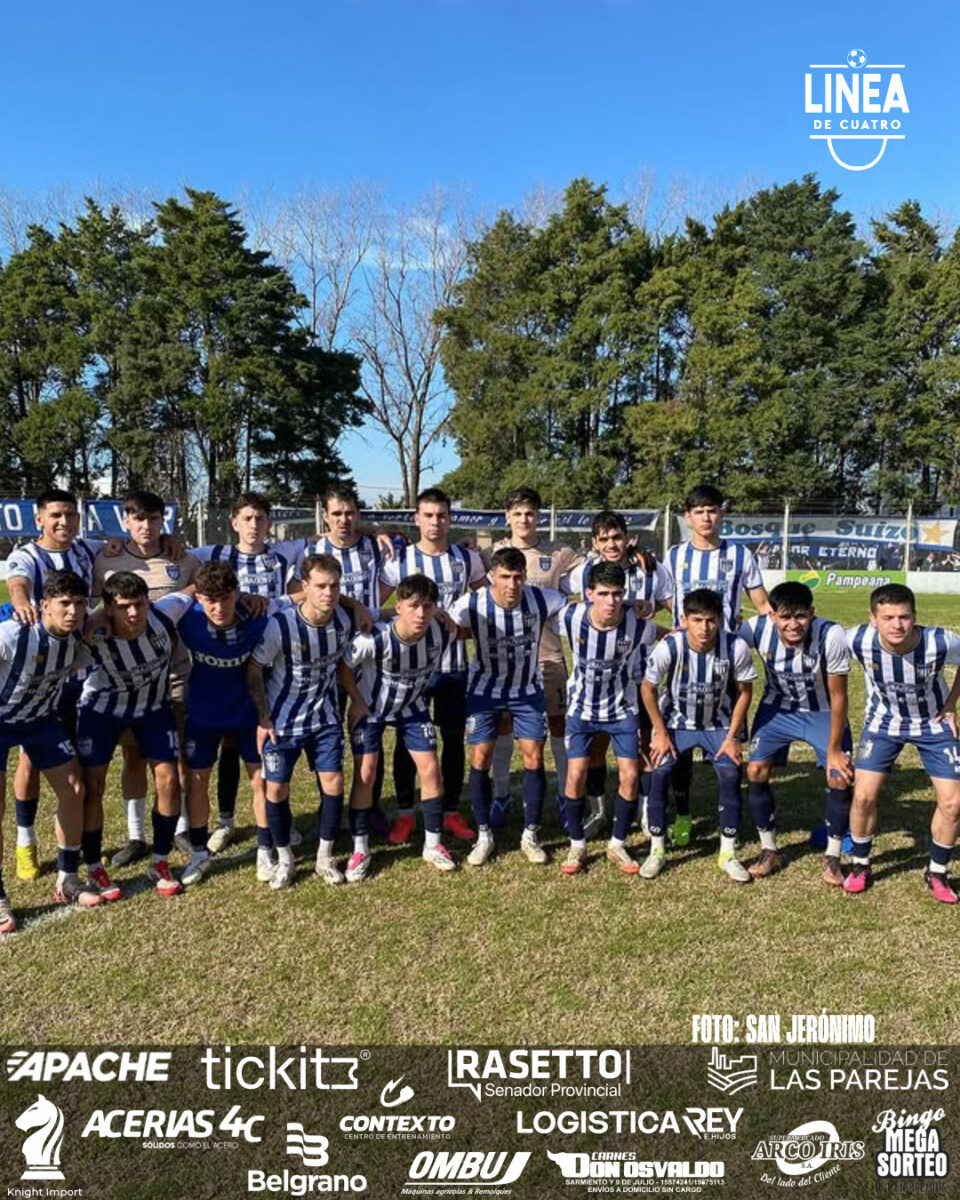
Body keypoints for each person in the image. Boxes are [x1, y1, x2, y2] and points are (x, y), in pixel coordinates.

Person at [191, 492, 306, 853]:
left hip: (272, 661)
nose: (254, 525)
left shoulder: (283, 554)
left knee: (271, 743)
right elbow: (177, 557)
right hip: (231, 658)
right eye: (247, 518)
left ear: (269, 522)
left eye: (260, 518)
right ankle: (226, 821)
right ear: (234, 522)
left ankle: (278, 818)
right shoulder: (214, 553)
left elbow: (328, 538)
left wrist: (375, 530)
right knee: (230, 743)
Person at [247, 554, 369, 890]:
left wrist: (357, 701)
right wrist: (263, 717)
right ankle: (285, 859)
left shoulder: (344, 619)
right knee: (276, 788)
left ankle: (323, 858)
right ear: (305, 587)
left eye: (334, 586)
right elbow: (254, 670)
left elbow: (381, 622)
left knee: (334, 782)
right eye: (320, 586)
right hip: (281, 722)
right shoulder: (281, 625)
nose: (328, 593)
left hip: (324, 718)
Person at [93, 490, 201, 867]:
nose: (146, 526)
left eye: (154, 519)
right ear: (125, 521)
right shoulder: (106, 559)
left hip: (176, 673)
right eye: (138, 519)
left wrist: (173, 598)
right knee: (134, 756)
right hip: (128, 681)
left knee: (177, 753)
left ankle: (181, 827)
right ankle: (136, 835)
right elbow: (95, 607)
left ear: (163, 521)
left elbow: (202, 585)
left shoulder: (181, 558)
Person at [662, 485, 771, 849]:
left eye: (712, 510)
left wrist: (777, 627)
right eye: (699, 511)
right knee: (680, 744)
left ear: (721, 514)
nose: (706, 517)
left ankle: (729, 822)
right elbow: (664, 598)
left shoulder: (739, 555)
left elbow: (762, 605)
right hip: (685, 660)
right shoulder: (674, 555)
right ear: (687, 517)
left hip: (726, 662)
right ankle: (682, 814)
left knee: (728, 742)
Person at [76, 572, 196, 898]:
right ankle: (94, 868)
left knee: (169, 780)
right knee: (92, 785)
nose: (133, 613)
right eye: (123, 607)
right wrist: (94, 616)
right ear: (109, 608)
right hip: (101, 711)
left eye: (139, 604)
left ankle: (160, 861)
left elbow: (195, 586)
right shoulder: (90, 631)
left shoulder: (164, 612)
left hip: (153, 710)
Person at [379, 487, 486, 845]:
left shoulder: (466, 559)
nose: (435, 522)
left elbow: (487, 599)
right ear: (417, 519)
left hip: (453, 666)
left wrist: (464, 626)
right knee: (407, 740)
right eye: (428, 515)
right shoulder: (400, 560)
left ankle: (451, 810)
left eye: (441, 515)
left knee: (453, 739)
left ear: (450, 519)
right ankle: (405, 813)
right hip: (412, 671)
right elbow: (376, 607)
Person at [4, 490, 101, 881]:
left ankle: (70, 863)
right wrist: (21, 601)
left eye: (71, 515)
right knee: (28, 763)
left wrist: (167, 543)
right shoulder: (27, 555)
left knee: (69, 775)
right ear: (39, 519)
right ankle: (25, 841)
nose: (64, 522)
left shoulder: (86, 548)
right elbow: (17, 583)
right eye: (56, 515)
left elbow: (123, 547)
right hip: (32, 666)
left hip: (68, 674)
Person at [449, 546, 567, 866]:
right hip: (484, 690)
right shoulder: (471, 603)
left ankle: (530, 834)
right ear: (491, 577)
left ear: (525, 576)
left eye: (517, 577)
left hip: (527, 690)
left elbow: (577, 607)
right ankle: (484, 834)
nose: (512, 585)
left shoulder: (543, 599)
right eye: (504, 577)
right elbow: (447, 623)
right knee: (480, 757)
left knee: (534, 756)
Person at [0, 570, 104, 930]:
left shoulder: (78, 637)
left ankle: (68, 878)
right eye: (64, 603)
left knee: (74, 787)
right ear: (44, 605)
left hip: (40, 721)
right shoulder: (13, 634)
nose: (73, 611)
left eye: (80, 604)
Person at [175, 561, 290, 886]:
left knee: (260, 781)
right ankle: (199, 853)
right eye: (210, 600)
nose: (219, 608)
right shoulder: (186, 618)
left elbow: (299, 600)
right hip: (202, 713)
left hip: (248, 713)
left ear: (237, 594)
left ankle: (265, 850)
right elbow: (147, 610)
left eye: (225, 598)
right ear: (198, 598)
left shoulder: (258, 615)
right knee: (197, 780)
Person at [845, 583, 960, 903]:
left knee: (954, 803)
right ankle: (860, 864)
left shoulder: (939, 641)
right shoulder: (857, 639)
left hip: (932, 724)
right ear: (873, 619)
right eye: (888, 617)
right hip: (883, 724)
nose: (897, 624)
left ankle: (937, 871)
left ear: (914, 617)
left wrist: (951, 703)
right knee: (863, 796)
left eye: (904, 617)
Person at [564, 509, 673, 836]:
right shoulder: (585, 571)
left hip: (642, 670)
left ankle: (644, 809)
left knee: (644, 744)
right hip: (603, 677)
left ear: (628, 537)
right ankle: (598, 810)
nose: (612, 544)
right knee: (596, 745)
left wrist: (653, 611)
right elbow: (562, 593)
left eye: (617, 537)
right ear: (594, 543)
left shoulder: (651, 568)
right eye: (605, 539)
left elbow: (672, 603)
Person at [739, 581, 854, 885]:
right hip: (777, 708)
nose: (793, 624)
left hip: (822, 710)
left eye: (801, 616)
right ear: (772, 615)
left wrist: (834, 750)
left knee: (839, 775)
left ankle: (832, 855)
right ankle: (769, 849)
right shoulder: (755, 628)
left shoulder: (831, 634)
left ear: (812, 613)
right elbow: (721, 644)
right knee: (755, 770)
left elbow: (839, 696)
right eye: (785, 617)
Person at [641, 588, 757, 884]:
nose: (704, 628)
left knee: (730, 773)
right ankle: (657, 850)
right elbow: (648, 689)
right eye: (697, 620)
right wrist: (660, 732)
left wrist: (732, 737)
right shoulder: (670, 646)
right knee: (659, 773)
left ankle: (727, 853)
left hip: (717, 725)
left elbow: (745, 692)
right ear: (684, 620)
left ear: (720, 620)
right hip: (676, 722)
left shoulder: (735, 646)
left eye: (711, 620)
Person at [485, 487, 583, 827]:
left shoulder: (560, 553)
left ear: (539, 516)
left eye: (530, 513)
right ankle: (501, 795)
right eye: (517, 513)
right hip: (505, 661)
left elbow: (594, 574)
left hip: (548, 656)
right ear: (507, 516)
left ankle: (564, 794)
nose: (524, 519)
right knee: (504, 725)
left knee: (558, 724)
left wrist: (632, 553)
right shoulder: (490, 553)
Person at [348, 574, 458, 877]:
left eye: (428, 606)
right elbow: (344, 666)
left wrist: (443, 615)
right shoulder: (374, 638)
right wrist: (355, 701)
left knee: (430, 768)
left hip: (412, 707)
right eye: (413, 606)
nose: (420, 614)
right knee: (366, 772)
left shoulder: (442, 631)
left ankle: (433, 844)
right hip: (371, 709)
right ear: (398, 607)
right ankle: (360, 848)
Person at [557, 562, 656, 876]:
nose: (611, 601)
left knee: (630, 775)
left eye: (617, 594)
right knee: (576, 774)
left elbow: (661, 636)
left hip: (621, 710)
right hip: (581, 710)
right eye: (603, 594)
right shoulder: (569, 616)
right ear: (589, 594)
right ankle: (577, 844)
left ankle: (617, 842)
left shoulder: (639, 625)